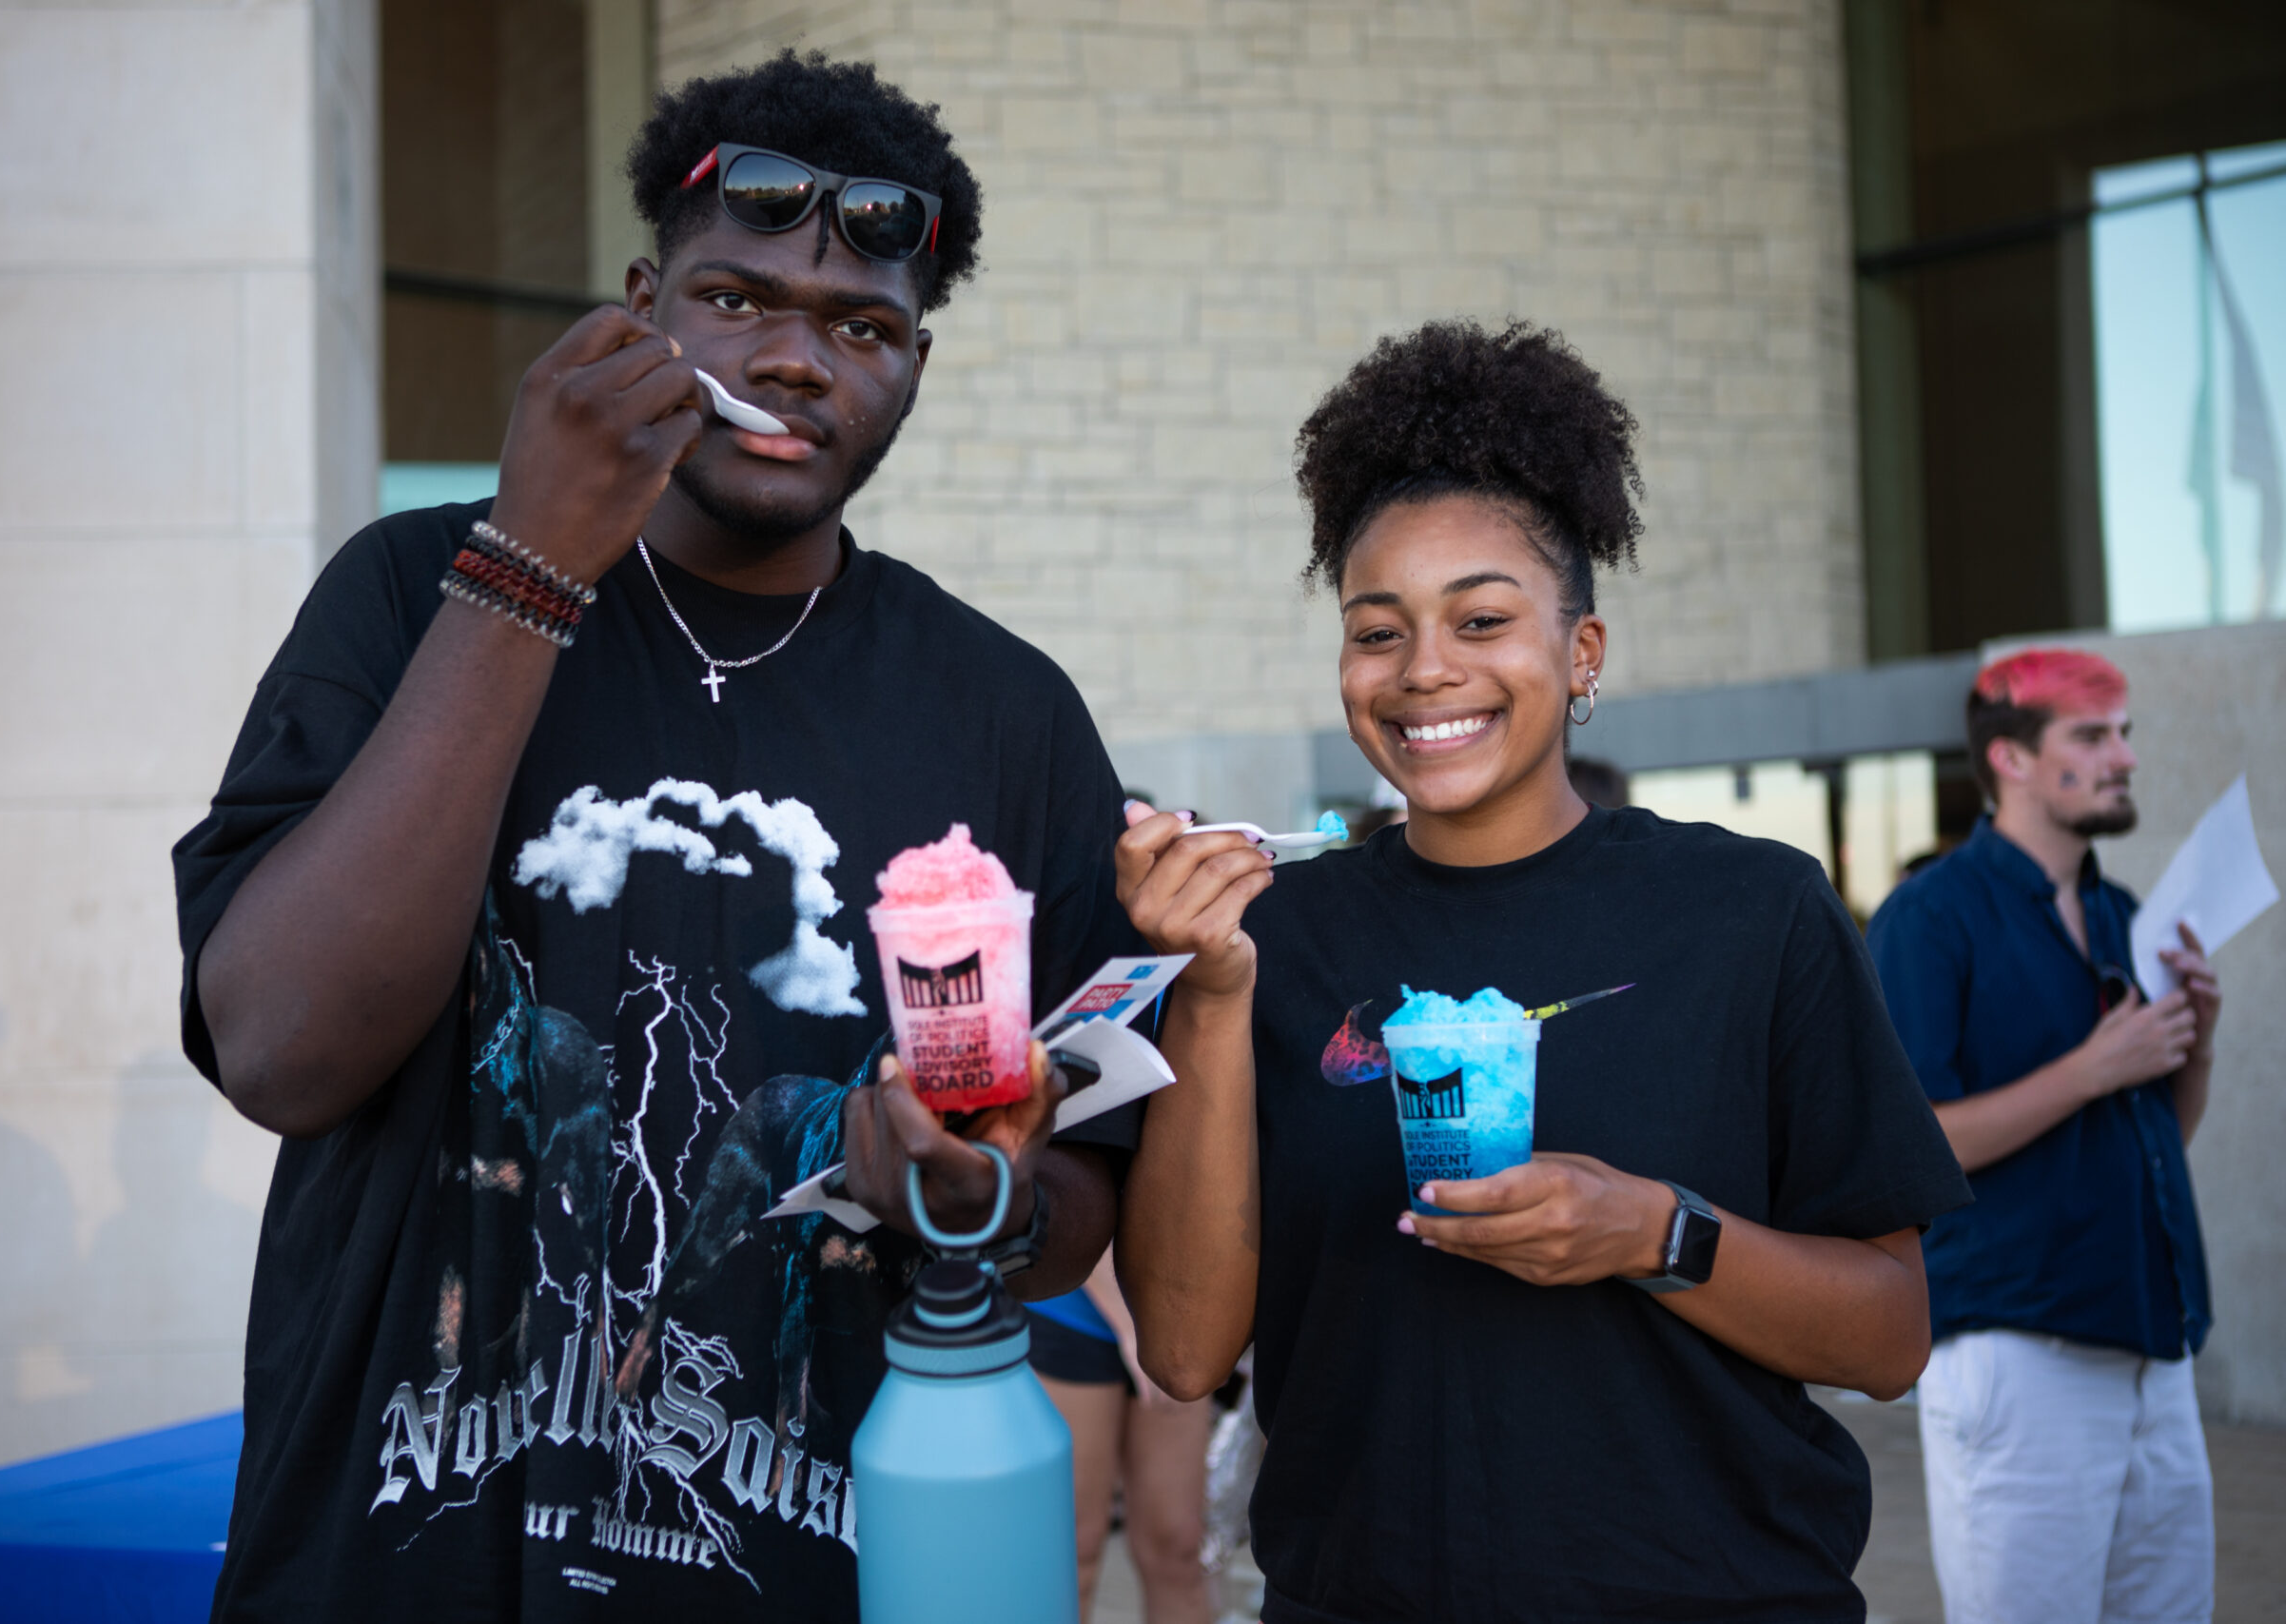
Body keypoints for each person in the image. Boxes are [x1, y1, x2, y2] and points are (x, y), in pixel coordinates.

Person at [173, 52, 1138, 1621]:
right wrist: (531, 565)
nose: (800, 358)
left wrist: (980, 1197)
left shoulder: (1008, 715)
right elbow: (281, 1048)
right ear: (642, 302)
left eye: (862, 327)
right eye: (740, 297)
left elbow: (1081, 1190)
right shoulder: (413, 589)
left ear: (914, 365)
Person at [1107, 318, 1972, 1622]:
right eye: (1377, 630)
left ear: (1582, 654)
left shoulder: (1752, 910)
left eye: (1483, 617)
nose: (1426, 670)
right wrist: (1213, 993)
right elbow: (1181, 1350)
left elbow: (1890, 1333)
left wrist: (1654, 1230)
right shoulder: (1272, 937)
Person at [1866, 650, 2223, 1624]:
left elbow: (2155, 1138)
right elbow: (1914, 1150)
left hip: (2154, 1347)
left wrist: (2190, 1044)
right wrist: (2093, 1067)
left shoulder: (2122, 915)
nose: (2124, 757)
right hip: (2019, 1357)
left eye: (2124, 734)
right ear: (2013, 760)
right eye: (2092, 735)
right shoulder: (1926, 919)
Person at [1026, 1246, 1217, 1624]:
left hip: (1181, 1308)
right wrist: (1132, 1327)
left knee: (1177, 1546)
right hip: (1070, 1300)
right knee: (1071, 1555)